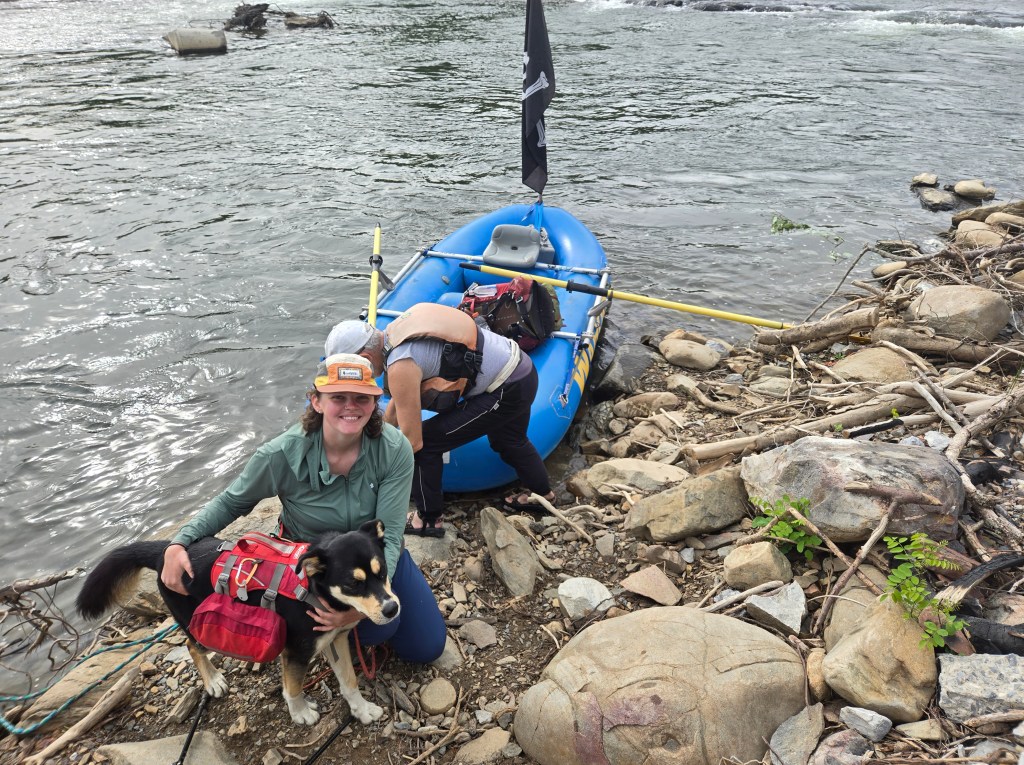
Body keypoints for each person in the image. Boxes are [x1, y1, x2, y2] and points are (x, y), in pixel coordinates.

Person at [160, 353, 446, 664]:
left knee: (426, 648)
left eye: (362, 398)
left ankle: (355, 627)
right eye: (338, 397)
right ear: (316, 401)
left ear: (374, 403)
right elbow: (231, 502)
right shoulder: (279, 454)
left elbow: (389, 533)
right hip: (314, 567)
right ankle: (325, 639)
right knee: (375, 632)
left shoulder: (394, 449)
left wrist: (355, 611)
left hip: (375, 559)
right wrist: (179, 542)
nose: (352, 406)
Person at [324, 305, 555, 537]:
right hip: (521, 368)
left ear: (365, 358)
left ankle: (428, 519)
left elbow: (413, 443)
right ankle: (543, 496)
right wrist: (373, 436)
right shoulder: (395, 334)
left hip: (506, 388)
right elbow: (399, 401)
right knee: (510, 440)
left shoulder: (400, 364)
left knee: (427, 445)